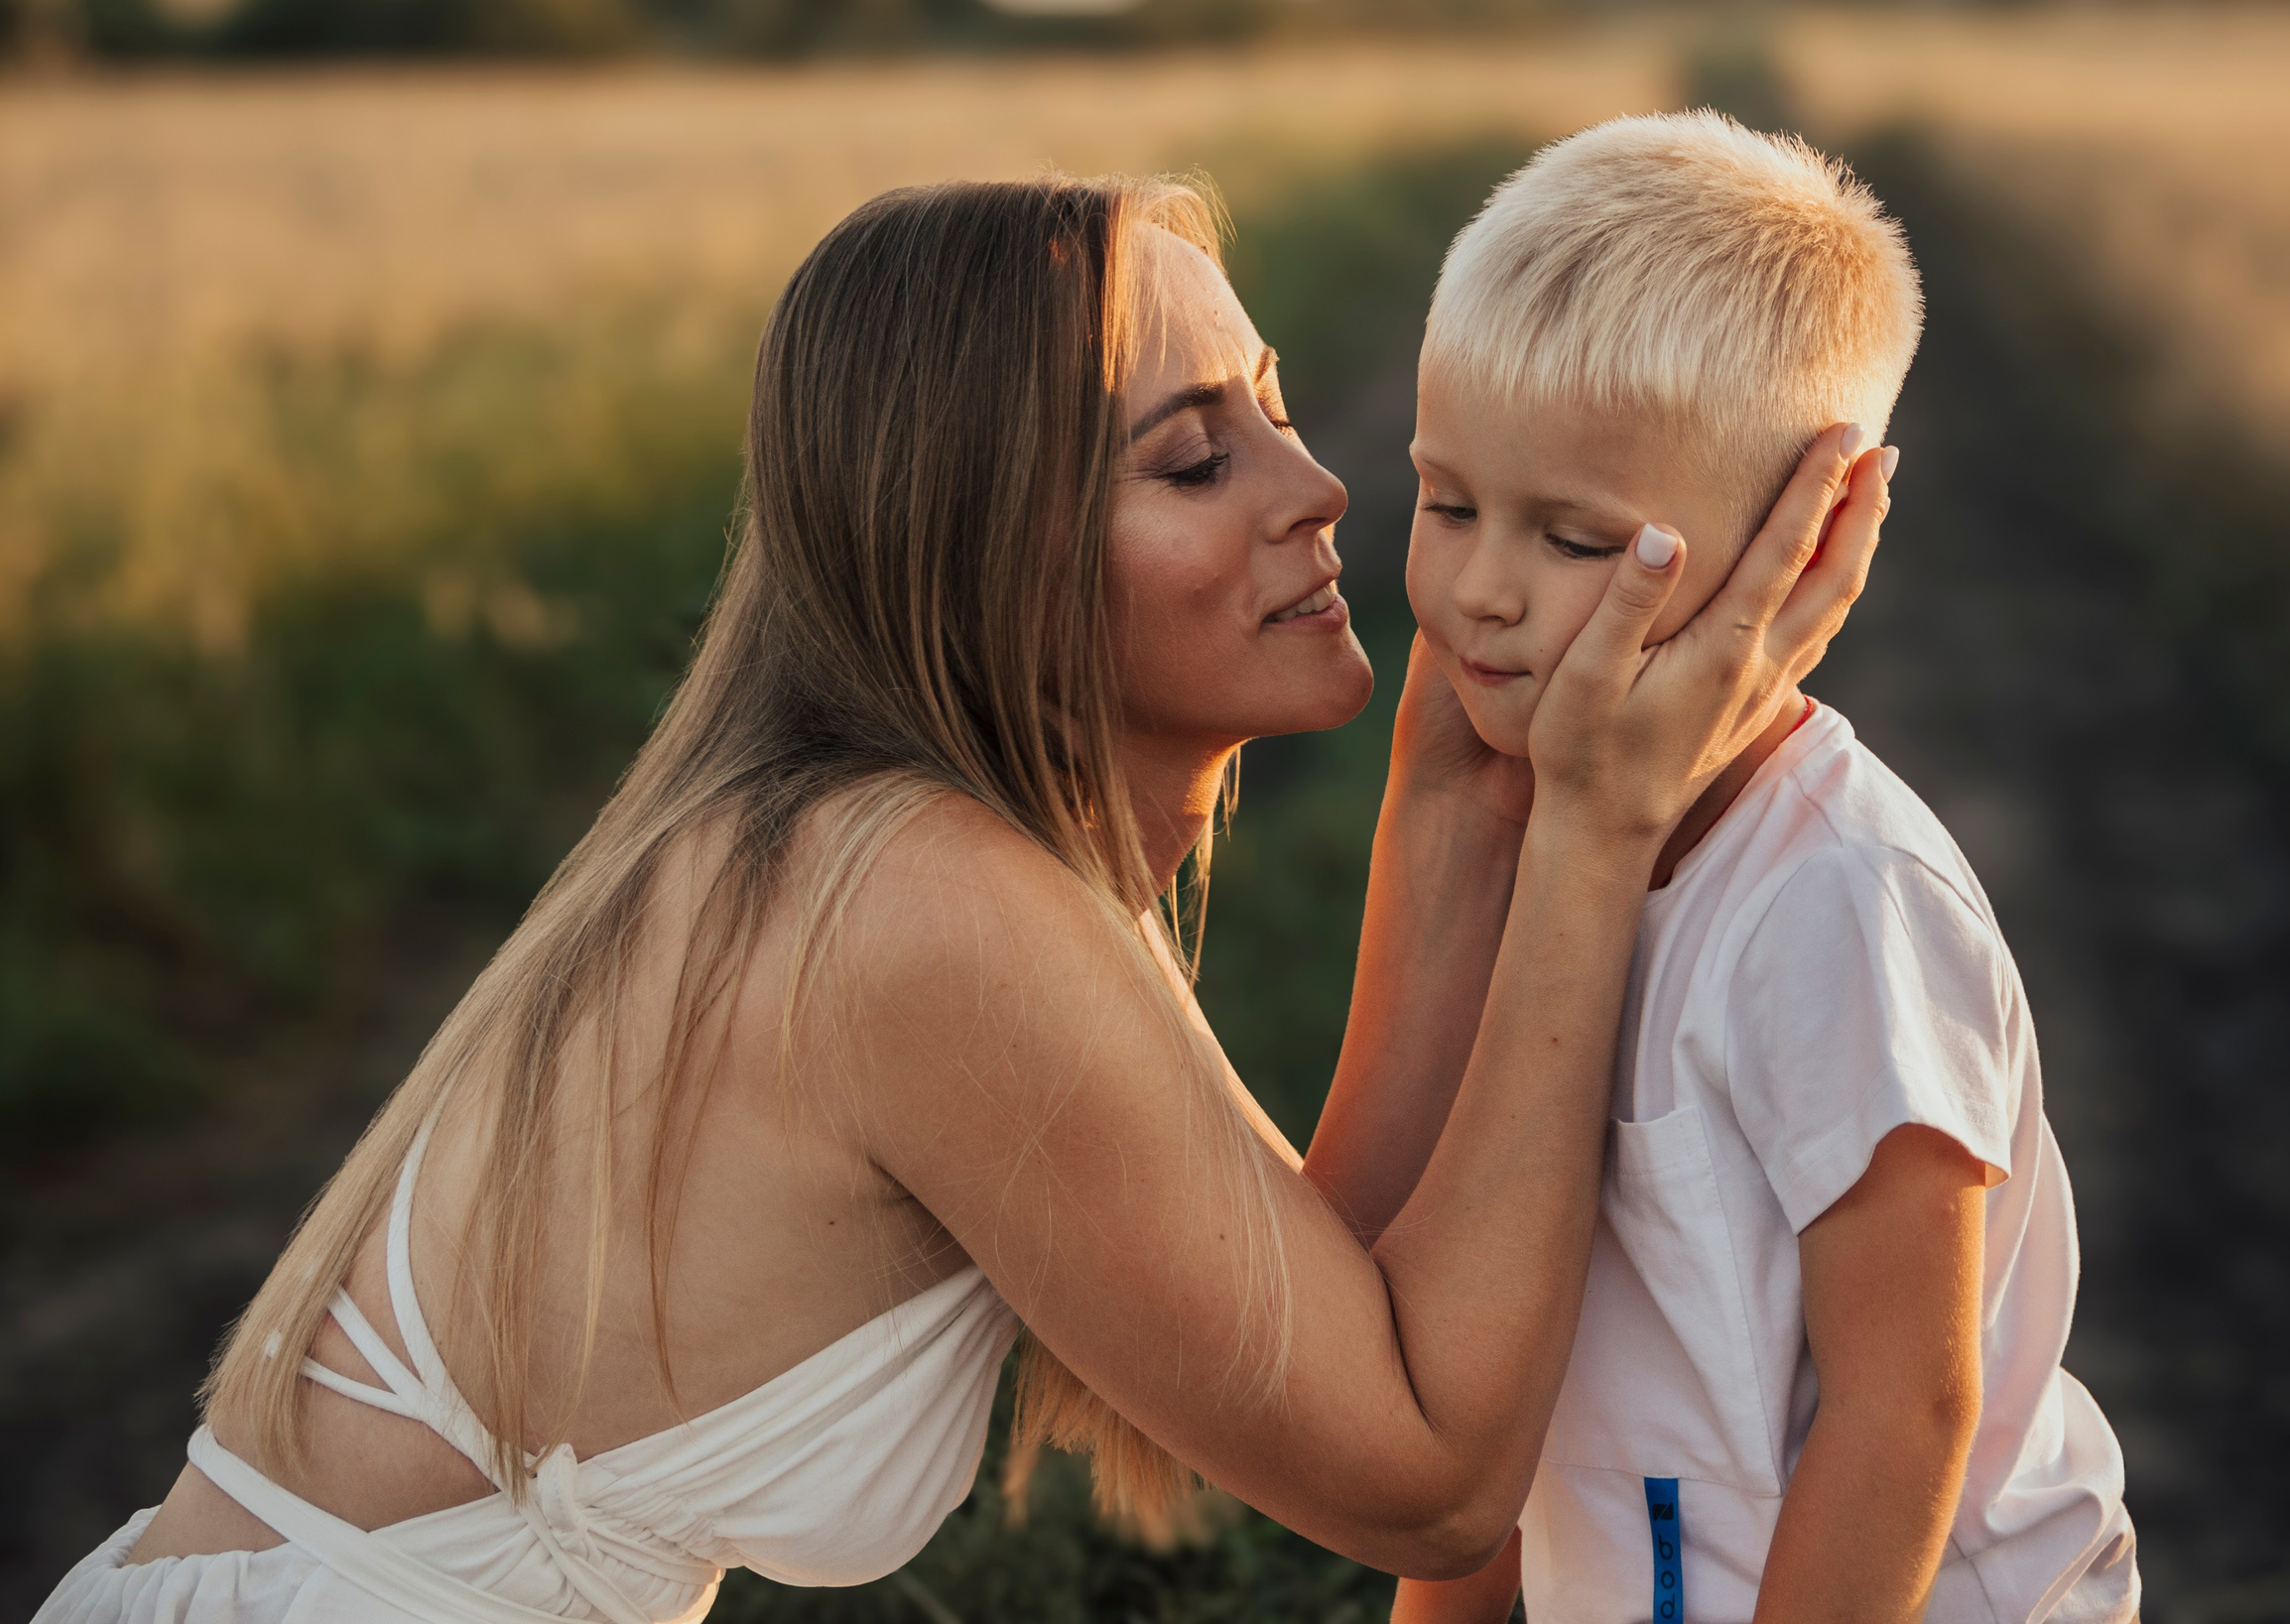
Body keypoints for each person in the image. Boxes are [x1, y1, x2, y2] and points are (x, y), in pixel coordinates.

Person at [35, 171, 1889, 1624]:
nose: (1324, 490)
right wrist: (1591, 832)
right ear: (997, 544)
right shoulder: (911, 907)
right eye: (1197, 456)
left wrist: (1455, 807)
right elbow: (1426, 1477)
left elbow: (1333, 1305)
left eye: (1274, 410)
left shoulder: (900, 856)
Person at [1385, 113, 2137, 1624]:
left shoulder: (1836, 904)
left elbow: (1901, 1412)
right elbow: (1484, 1352)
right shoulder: (1546, 835)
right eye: (1450, 503)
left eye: (1578, 541)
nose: (1480, 589)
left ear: (1803, 543)